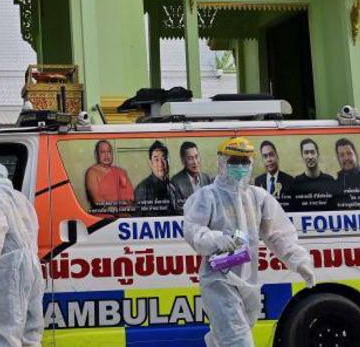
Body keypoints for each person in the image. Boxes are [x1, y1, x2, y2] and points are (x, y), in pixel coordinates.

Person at [183, 137, 316, 347]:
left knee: (224, 338)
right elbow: (193, 229)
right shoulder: (207, 197)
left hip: (249, 283)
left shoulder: (258, 197)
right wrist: (216, 239)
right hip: (219, 280)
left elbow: (276, 234)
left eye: (245, 162)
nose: (241, 167)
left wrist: (298, 260)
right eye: (235, 161)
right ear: (222, 162)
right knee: (237, 339)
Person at [0, 162, 44, 347]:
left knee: (6, 326)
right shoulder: (21, 198)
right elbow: (34, 228)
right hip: (33, 263)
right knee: (32, 325)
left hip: (11, 263)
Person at [134, 141, 185, 216]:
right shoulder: (143, 189)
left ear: (168, 161)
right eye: (156, 160)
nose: (161, 164)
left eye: (164, 158)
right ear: (150, 163)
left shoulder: (171, 186)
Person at [84, 140, 134, 214]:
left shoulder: (120, 171)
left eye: (109, 152)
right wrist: (113, 210)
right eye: (103, 152)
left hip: (123, 215)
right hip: (103, 216)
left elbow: (130, 196)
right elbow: (97, 199)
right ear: (96, 154)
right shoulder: (92, 172)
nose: (106, 155)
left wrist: (125, 209)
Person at [288, 137, 338, 210]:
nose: (310, 156)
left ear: (318, 154)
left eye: (312, 152)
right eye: (306, 153)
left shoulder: (329, 180)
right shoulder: (296, 183)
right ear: (302, 156)